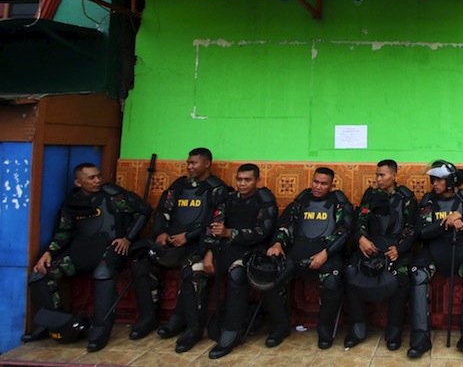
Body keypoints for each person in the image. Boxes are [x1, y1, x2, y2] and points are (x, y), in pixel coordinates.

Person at [23, 163, 151, 352]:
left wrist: (128, 238)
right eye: (91, 178)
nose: (97, 180)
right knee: (39, 274)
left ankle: (100, 330)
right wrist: (49, 252)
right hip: (81, 249)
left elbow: (144, 211)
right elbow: (63, 233)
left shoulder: (112, 196)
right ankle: (55, 324)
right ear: (78, 182)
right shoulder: (72, 202)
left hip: (112, 247)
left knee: (103, 272)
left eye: (98, 176)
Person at [128, 147, 229, 353]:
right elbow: (163, 210)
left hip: (197, 244)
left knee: (193, 271)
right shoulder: (179, 185)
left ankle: (193, 328)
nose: (190, 166)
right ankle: (148, 317)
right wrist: (161, 232)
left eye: (194, 163)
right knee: (141, 262)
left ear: (207, 163)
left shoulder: (217, 189)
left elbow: (216, 222)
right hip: (171, 242)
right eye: (188, 163)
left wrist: (189, 236)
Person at [262, 167, 353, 350]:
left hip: (327, 254)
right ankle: (281, 326)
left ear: (331, 184)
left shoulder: (338, 202)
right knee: (269, 276)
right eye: (316, 182)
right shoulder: (302, 200)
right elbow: (285, 224)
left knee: (333, 280)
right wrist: (278, 243)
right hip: (297, 252)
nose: (318, 187)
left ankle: (325, 330)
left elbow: (344, 231)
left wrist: (325, 253)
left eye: (323, 184)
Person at [407, 160, 463, 359]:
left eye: (439, 180)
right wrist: (448, 221)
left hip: (462, 249)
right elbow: (422, 232)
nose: (434, 183)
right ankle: (420, 336)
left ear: (450, 181)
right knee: (417, 274)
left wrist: (461, 217)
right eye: (433, 180)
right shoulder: (428, 201)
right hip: (434, 249)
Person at [204, 164, 278, 359]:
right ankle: (191, 326)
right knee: (193, 271)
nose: (242, 184)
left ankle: (232, 332)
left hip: (253, 250)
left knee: (237, 274)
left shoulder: (264, 200)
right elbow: (213, 227)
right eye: (239, 179)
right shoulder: (228, 199)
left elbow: (263, 231)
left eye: (247, 180)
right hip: (226, 248)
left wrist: (231, 233)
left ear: (257, 181)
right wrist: (209, 251)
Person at [344, 159, 418, 350]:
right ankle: (358, 326)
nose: (378, 179)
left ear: (394, 175)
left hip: (395, 248)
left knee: (401, 276)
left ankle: (394, 329)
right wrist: (361, 238)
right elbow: (360, 220)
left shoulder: (406, 198)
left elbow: (411, 229)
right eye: (377, 174)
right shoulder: (371, 196)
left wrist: (399, 249)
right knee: (351, 271)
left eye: (382, 175)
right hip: (371, 246)